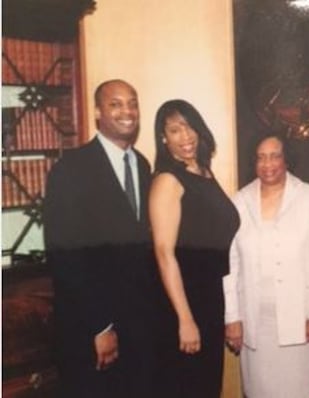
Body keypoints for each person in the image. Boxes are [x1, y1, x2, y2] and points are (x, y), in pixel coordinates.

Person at [44, 79, 160, 398]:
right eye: (116, 104)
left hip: (138, 328)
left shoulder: (142, 165)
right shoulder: (71, 169)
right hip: (92, 329)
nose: (127, 111)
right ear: (97, 112)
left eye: (132, 103)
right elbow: (64, 256)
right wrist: (100, 326)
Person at [223, 133, 309, 398]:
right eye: (261, 157)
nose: (268, 164)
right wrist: (232, 317)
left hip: (300, 322)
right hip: (254, 323)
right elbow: (231, 265)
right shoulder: (239, 201)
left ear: (286, 159)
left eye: (274, 156)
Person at [149, 99, 240, 397]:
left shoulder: (203, 172)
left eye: (189, 127)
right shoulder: (168, 180)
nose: (185, 136)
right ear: (164, 138)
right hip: (183, 303)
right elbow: (164, 254)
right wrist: (185, 320)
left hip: (209, 298)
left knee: (206, 386)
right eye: (174, 130)